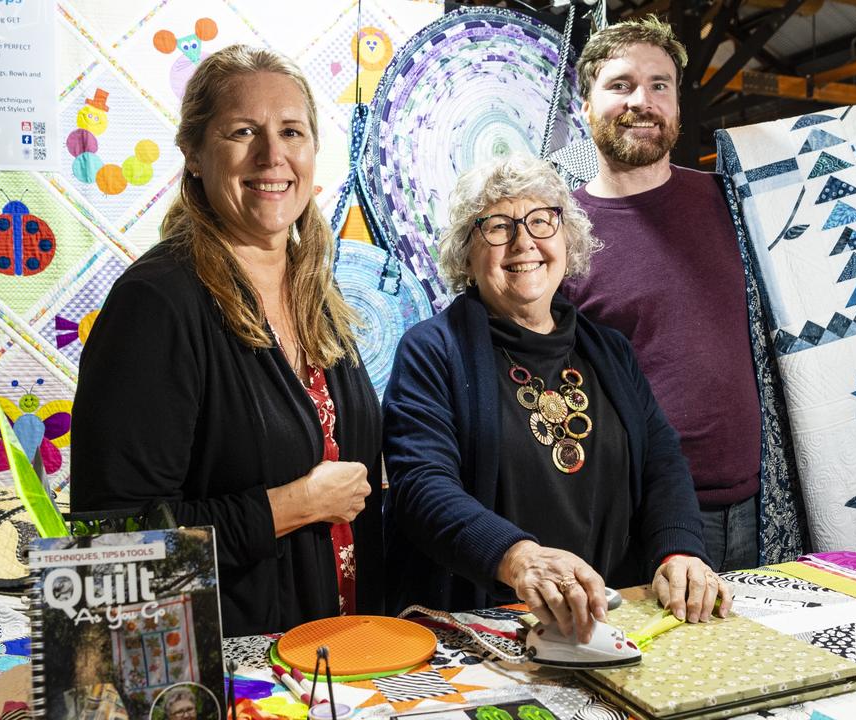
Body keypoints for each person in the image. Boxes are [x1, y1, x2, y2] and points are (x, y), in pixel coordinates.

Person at [70, 45, 383, 636]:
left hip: (339, 653)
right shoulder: (157, 304)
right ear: (192, 153)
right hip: (229, 669)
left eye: (292, 131)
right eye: (243, 131)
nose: (273, 155)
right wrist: (294, 506)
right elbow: (112, 543)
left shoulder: (316, 290)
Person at [382, 154, 732, 644]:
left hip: (607, 627)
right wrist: (519, 557)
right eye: (498, 227)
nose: (524, 242)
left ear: (567, 240)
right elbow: (421, 486)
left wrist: (679, 550)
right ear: (466, 255)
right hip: (485, 631)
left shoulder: (607, 348)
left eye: (541, 221)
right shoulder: (432, 350)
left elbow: (661, 461)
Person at [558, 16, 805, 572]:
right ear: (586, 105)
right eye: (620, 85)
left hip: (759, 503)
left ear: (676, 105)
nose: (640, 101)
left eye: (659, 85)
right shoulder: (558, 235)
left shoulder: (735, 202)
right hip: (633, 512)